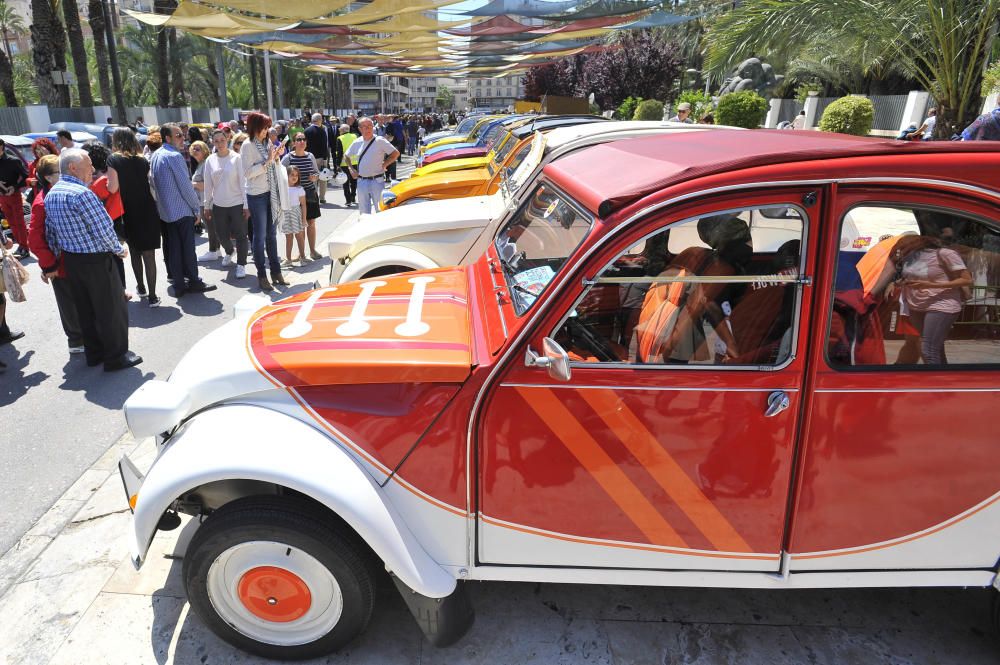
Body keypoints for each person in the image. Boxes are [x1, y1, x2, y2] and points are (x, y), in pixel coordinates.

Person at [44, 148, 142, 371]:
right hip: (95, 260)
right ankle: (116, 358)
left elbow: (51, 232)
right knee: (111, 309)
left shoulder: (53, 193)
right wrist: (118, 249)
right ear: (72, 167)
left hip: (72, 260)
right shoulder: (82, 194)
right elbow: (103, 228)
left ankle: (95, 354)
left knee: (86, 309)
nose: (93, 169)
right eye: (88, 165)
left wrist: (58, 257)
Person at [873, 235, 973, 365]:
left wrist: (930, 285)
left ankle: (935, 382)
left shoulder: (945, 254)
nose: (901, 248)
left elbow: (966, 279)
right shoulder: (911, 257)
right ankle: (944, 379)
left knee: (927, 350)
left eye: (903, 245)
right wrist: (897, 283)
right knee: (935, 349)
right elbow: (911, 276)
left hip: (941, 305)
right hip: (917, 306)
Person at [150, 123, 218, 298]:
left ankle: (179, 284)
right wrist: (196, 208)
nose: (183, 138)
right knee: (187, 249)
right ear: (168, 138)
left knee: (174, 249)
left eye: (182, 135)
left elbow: (152, 184)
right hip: (181, 211)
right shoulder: (174, 156)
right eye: (179, 135)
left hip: (167, 212)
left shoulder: (156, 155)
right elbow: (185, 186)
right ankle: (194, 281)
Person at [27, 154, 83, 352]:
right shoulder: (42, 202)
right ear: (49, 177)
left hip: (73, 258)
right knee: (68, 302)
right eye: (60, 171)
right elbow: (34, 240)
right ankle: (76, 341)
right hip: (59, 263)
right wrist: (49, 265)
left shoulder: (62, 193)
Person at [108, 128, 162, 306]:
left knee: (135, 252)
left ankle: (141, 288)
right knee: (149, 254)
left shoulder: (113, 159)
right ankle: (153, 296)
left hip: (128, 210)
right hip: (147, 208)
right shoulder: (143, 159)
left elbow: (112, 188)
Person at [241, 111, 287, 292]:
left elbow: (271, 164)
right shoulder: (247, 145)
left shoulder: (266, 142)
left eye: (268, 127)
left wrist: (276, 156)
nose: (267, 131)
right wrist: (268, 161)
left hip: (270, 192)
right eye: (264, 127)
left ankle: (276, 271)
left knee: (271, 236)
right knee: (259, 237)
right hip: (257, 195)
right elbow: (248, 173)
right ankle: (262, 274)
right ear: (255, 127)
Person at [82, 141, 130, 299]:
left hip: (109, 222)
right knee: (115, 259)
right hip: (116, 219)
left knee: (113, 259)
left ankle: (119, 291)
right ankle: (120, 290)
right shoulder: (109, 174)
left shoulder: (100, 181)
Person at [203, 129, 249, 280]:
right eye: (216, 141)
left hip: (237, 203)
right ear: (212, 142)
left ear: (227, 139)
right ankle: (229, 252)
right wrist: (207, 205)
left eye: (222, 140)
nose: (219, 143)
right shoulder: (210, 160)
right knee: (221, 235)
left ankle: (241, 264)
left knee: (241, 235)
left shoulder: (237, 158)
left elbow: (244, 182)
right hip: (218, 204)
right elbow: (208, 185)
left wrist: (246, 205)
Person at [345, 117, 399, 215]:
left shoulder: (380, 140)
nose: (368, 129)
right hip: (362, 181)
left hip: (377, 181)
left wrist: (385, 164)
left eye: (370, 126)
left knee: (381, 210)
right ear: (360, 129)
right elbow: (346, 156)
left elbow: (395, 154)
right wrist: (351, 169)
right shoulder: (357, 142)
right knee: (364, 212)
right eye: (365, 127)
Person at [281, 131, 322, 260]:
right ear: (293, 143)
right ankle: (301, 253)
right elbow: (280, 174)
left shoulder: (310, 156)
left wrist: (315, 177)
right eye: (298, 139)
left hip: (309, 193)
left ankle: (312, 251)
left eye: (303, 139)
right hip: (294, 196)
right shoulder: (288, 158)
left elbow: (317, 173)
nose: (302, 141)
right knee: (300, 225)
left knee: (311, 222)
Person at [188, 140, 219, 262]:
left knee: (210, 227)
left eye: (198, 149)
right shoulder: (201, 163)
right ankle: (217, 250)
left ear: (205, 150)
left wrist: (193, 184)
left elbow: (209, 184)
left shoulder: (206, 163)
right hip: (203, 200)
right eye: (193, 148)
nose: (195, 151)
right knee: (211, 227)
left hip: (207, 200)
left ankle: (213, 251)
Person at [0, 137, 29, 259]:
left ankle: (25, 247)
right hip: (2, 196)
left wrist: (15, 187)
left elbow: (25, 176)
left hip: (14, 194)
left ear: (1, 148)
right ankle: (21, 245)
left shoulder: (13, 161)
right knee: (11, 223)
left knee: (19, 222)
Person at [280, 165, 307, 267]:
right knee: (289, 237)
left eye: (296, 175)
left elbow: (304, 205)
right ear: (286, 176)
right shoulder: (282, 188)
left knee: (299, 236)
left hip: (296, 214)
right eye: (292, 175)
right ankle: (288, 259)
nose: (294, 177)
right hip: (286, 214)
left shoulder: (299, 189)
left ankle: (303, 257)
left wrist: (304, 219)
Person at [304, 113, 330, 204]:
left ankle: (313, 197)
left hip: (309, 158)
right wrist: (325, 159)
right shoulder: (322, 131)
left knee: (312, 178)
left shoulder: (306, 131)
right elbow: (324, 146)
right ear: (319, 120)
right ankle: (322, 197)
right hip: (320, 158)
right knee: (323, 178)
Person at [337, 124, 358, 207]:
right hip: (355, 162)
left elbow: (339, 153)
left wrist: (337, 165)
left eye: (340, 130)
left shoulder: (340, 138)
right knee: (354, 181)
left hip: (344, 163)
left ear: (342, 130)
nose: (339, 131)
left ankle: (348, 200)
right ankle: (353, 197)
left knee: (345, 182)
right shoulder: (355, 136)